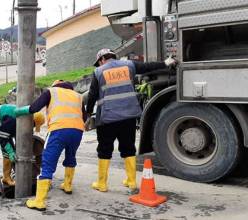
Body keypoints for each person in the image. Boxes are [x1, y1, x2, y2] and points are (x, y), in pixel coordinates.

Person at [86, 48, 176, 193]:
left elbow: (92, 95)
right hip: (128, 115)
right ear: (113, 57)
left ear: (101, 60)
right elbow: (148, 67)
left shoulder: (98, 72)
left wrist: (88, 113)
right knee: (128, 147)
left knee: (104, 148)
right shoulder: (129, 65)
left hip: (107, 117)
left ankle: (102, 183)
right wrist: (166, 62)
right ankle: (132, 181)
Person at [15, 80, 86, 211]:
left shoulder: (51, 91)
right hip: (77, 131)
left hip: (58, 130)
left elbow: (34, 108)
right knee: (71, 157)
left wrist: (19, 111)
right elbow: (84, 117)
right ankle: (68, 185)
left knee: (47, 162)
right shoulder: (77, 96)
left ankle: (39, 201)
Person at [0, 104, 45, 186]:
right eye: (33, 125)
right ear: (30, 121)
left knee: (8, 154)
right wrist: (11, 151)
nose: (32, 127)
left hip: (4, 126)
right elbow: (3, 137)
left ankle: (6, 178)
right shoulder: (14, 120)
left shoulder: (24, 120)